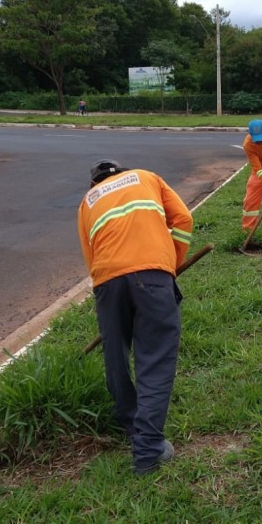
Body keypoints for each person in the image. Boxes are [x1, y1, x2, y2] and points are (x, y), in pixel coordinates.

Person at [77, 159, 193, 475]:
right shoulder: (146, 177)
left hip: (106, 283)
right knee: (154, 359)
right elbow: (182, 219)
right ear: (122, 172)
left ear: (95, 183)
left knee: (115, 359)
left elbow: (91, 255)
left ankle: (131, 426)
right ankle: (148, 451)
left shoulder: (87, 203)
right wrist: (171, 265)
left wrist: (109, 292)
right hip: (153, 275)